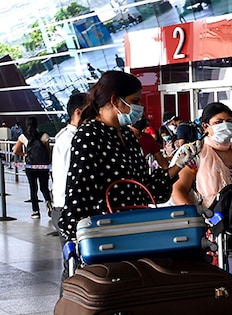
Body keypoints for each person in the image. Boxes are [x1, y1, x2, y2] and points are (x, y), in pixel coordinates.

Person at [59, 71, 188, 243]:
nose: (140, 107)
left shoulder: (127, 135)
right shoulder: (89, 135)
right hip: (106, 234)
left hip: (136, 228)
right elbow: (80, 193)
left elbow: (145, 188)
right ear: (115, 100)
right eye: (135, 101)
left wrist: (178, 164)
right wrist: (79, 237)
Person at [171, 102, 232, 207]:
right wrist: (196, 216)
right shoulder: (195, 153)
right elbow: (178, 189)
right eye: (219, 122)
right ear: (205, 126)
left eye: (229, 121)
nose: (225, 125)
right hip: (210, 218)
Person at [52, 92, 88, 240]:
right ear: (78, 113)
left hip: (69, 207)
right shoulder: (70, 140)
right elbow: (73, 176)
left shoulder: (70, 136)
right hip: (69, 209)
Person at [13, 117, 52, 219]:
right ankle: (48, 202)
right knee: (44, 187)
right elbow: (48, 151)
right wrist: (48, 162)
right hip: (43, 165)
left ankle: (35, 211)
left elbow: (15, 151)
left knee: (33, 188)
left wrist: (25, 154)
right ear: (37, 124)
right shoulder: (44, 135)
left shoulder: (23, 136)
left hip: (30, 166)